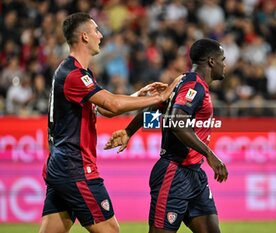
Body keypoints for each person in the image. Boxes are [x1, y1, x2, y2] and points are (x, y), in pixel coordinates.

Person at [39, 12, 182, 233]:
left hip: (61, 165)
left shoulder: (77, 72)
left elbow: (105, 109)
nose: (101, 35)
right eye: (96, 30)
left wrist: (137, 95)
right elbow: (113, 104)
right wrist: (160, 98)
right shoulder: (73, 74)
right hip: (75, 167)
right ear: (85, 36)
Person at [105, 38, 229, 233]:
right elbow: (176, 123)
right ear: (212, 62)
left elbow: (159, 111)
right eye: (222, 59)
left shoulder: (183, 82)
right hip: (174, 173)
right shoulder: (193, 85)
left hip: (194, 175)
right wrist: (209, 154)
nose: (225, 64)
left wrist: (130, 131)